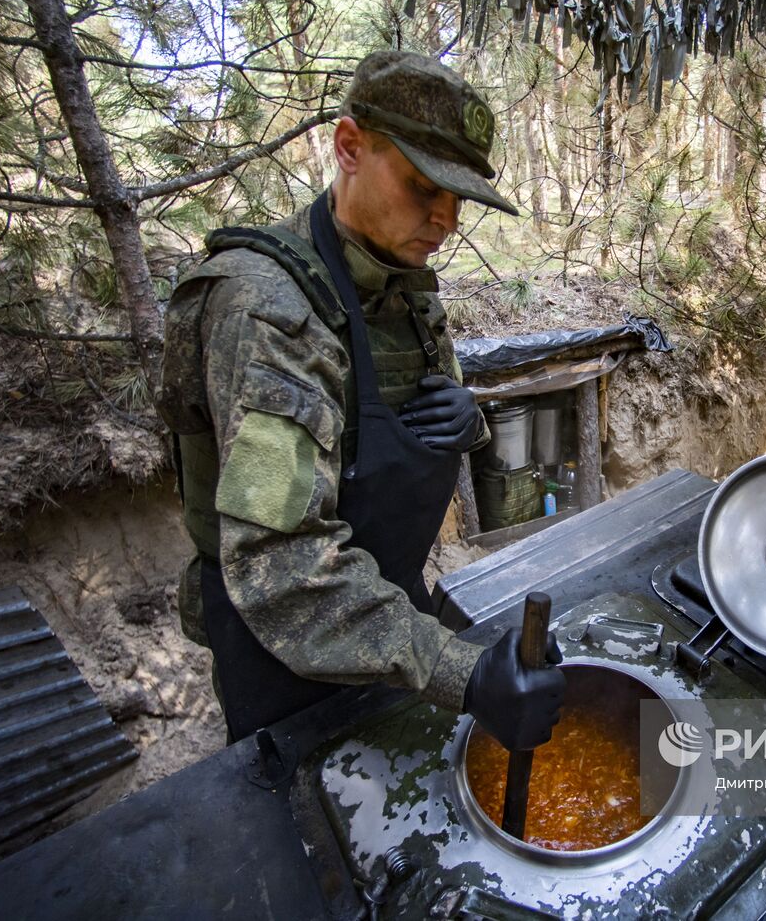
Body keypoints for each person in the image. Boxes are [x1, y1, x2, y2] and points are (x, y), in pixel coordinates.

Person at [156, 51, 563, 747]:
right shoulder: (267, 310)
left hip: (387, 609)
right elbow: (282, 569)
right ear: (349, 147)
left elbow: (403, 423)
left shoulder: (403, 286)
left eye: (457, 197)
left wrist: (468, 422)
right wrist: (456, 670)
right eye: (422, 185)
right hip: (282, 651)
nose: (445, 218)